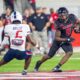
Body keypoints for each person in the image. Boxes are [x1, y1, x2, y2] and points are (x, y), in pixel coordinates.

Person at [34, 7, 80, 72]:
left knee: (69, 52)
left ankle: (57, 67)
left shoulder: (72, 17)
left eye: (63, 14)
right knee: (49, 56)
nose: (62, 16)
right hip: (59, 40)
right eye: (61, 15)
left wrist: (77, 28)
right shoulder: (58, 22)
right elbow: (57, 37)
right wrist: (67, 39)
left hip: (67, 39)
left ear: (67, 14)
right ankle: (39, 62)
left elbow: (78, 22)